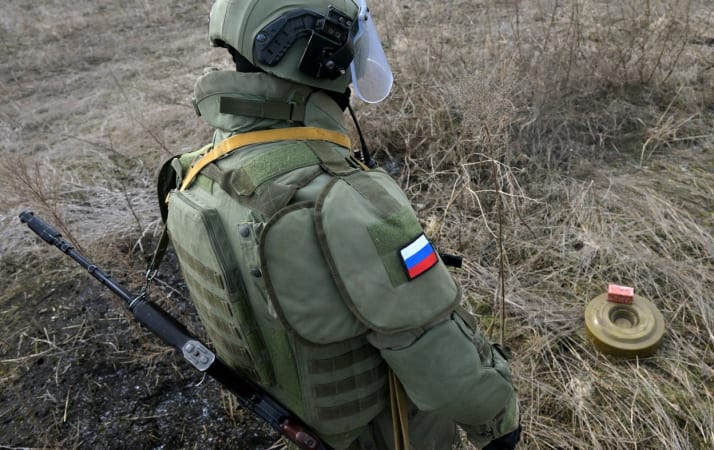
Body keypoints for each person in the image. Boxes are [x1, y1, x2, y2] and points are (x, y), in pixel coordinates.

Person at [158, 0, 520, 448]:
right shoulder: (345, 199)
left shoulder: (199, 171)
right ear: (320, 56)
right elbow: (448, 370)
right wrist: (500, 420)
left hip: (302, 421)